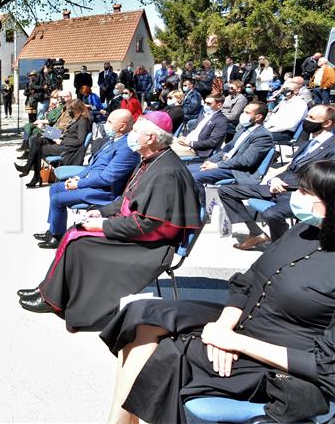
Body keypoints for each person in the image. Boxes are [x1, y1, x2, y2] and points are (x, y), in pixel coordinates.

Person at [100, 160, 335, 424]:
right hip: (241, 321)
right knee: (142, 314)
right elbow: (249, 280)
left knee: (170, 353)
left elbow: (327, 365)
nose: (294, 196)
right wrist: (224, 327)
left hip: (277, 353)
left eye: (305, 192)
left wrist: (234, 342)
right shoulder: (304, 229)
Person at [17, 111, 201, 331]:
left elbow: (147, 224)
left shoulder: (166, 172)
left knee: (78, 242)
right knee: (74, 231)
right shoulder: (152, 160)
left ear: (150, 138)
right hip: (137, 229)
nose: (131, 135)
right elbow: (126, 199)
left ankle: (55, 301)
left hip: (151, 244)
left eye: (136, 131)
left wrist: (103, 225)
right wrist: (101, 213)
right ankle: (47, 290)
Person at [220, 104, 335, 249]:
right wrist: (274, 179)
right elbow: (291, 167)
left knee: (271, 214)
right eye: (307, 116)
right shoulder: (307, 142)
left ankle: (280, 248)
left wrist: (287, 185)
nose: (306, 120)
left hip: (300, 192)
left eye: (311, 118)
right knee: (226, 191)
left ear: (327, 123)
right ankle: (255, 233)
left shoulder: (332, 147)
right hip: (277, 185)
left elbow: (324, 178)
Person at [35, 110, 140, 248]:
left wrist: (79, 184)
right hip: (93, 182)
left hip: (105, 191)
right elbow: (93, 166)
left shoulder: (126, 148)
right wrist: (77, 177)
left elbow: (108, 178)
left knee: (57, 199)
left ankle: (57, 237)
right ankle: (54, 229)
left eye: (109, 122)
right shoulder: (112, 140)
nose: (105, 125)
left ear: (122, 126)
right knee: (55, 188)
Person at [187, 102, 273, 206]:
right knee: (183, 170)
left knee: (195, 177)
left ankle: (199, 209)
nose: (242, 115)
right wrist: (209, 161)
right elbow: (226, 149)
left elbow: (246, 161)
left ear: (258, 117)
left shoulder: (263, 136)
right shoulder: (243, 130)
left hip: (238, 170)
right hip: (225, 164)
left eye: (247, 112)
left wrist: (216, 165)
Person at [15, 99, 91, 188]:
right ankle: (29, 169)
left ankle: (33, 174)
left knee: (37, 148)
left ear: (77, 109)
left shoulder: (82, 121)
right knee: (36, 140)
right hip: (59, 137)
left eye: (71, 109)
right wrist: (56, 136)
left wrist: (61, 141)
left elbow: (80, 141)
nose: (69, 111)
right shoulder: (75, 117)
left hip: (67, 147)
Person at [173, 93, 228, 159]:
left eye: (209, 103)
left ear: (219, 105)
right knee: (162, 142)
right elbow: (193, 129)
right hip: (185, 143)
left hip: (196, 150)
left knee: (165, 150)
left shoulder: (221, 120)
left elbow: (213, 142)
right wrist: (183, 136)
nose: (205, 105)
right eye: (205, 102)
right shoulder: (203, 115)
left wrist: (191, 143)